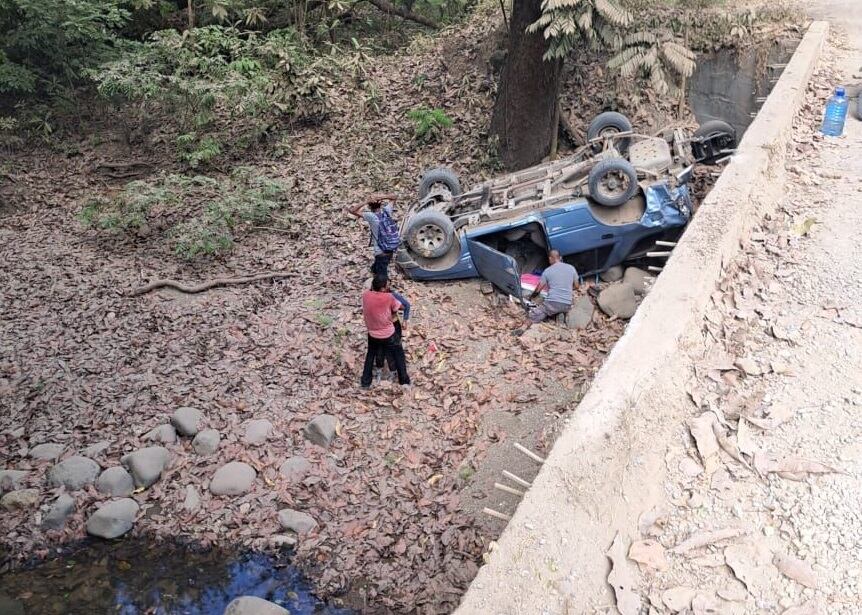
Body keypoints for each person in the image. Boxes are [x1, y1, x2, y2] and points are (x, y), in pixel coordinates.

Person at [361, 275, 410, 388]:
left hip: (372, 332)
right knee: (399, 355)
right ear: (383, 289)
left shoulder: (365, 295)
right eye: (387, 285)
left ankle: (365, 382)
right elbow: (400, 307)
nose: (389, 287)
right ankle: (404, 381)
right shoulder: (389, 297)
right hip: (388, 334)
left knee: (370, 355)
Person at [517, 249, 579, 335]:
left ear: (550, 259)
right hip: (567, 304)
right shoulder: (571, 268)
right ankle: (559, 315)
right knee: (556, 308)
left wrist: (531, 297)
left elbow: (538, 290)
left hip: (552, 303)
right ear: (560, 258)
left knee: (536, 313)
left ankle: (523, 328)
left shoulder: (548, 271)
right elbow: (576, 286)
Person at [348, 192, 399, 276]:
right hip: (390, 248)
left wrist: (366, 201)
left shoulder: (371, 216)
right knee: (376, 267)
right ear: (380, 204)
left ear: (369, 206)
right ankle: (374, 271)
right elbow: (395, 196)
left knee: (381, 276)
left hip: (380, 251)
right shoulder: (387, 211)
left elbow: (352, 210)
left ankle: (380, 286)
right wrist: (382, 197)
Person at [375, 288, 410, 373]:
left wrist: (405, 320)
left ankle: (394, 370)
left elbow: (406, 305)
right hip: (382, 325)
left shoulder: (392, 295)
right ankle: (381, 368)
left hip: (393, 324)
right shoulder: (374, 296)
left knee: (394, 348)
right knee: (381, 348)